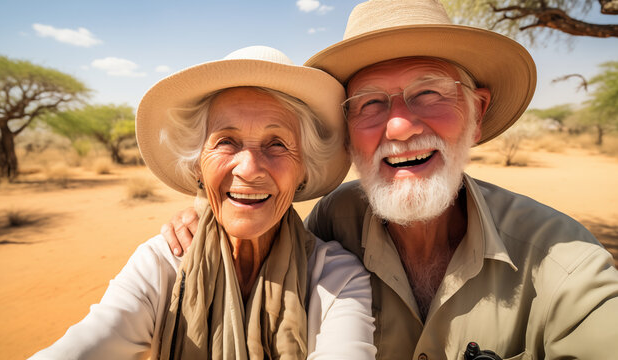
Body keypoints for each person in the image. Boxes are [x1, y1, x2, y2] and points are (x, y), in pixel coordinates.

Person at [161, 1, 618, 359]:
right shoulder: (331, 223)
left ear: (476, 114)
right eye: (370, 103)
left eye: (429, 93)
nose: (399, 128)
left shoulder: (565, 263)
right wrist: (210, 217)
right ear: (347, 137)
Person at [29, 46, 376, 360]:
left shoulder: (336, 277)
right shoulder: (161, 264)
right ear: (198, 166)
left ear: (303, 171)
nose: (250, 168)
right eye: (226, 141)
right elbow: (91, 342)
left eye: (278, 144)